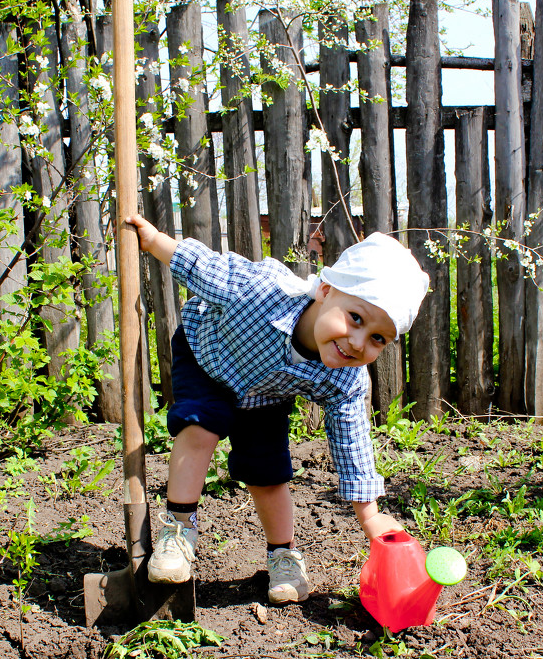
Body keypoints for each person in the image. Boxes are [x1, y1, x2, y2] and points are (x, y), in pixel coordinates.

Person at [126, 214, 429, 604]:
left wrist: (369, 514)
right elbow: (202, 265)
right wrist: (154, 241)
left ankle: (283, 556)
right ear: (325, 289)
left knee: (268, 470)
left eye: (377, 338)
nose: (357, 342)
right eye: (355, 318)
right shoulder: (259, 291)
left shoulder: (346, 379)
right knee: (201, 427)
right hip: (209, 355)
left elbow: (353, 443)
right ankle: (178, 530)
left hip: (265, 395)